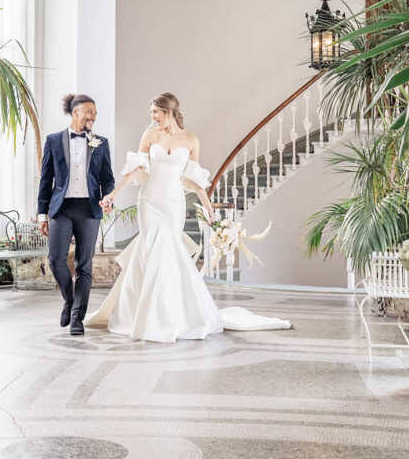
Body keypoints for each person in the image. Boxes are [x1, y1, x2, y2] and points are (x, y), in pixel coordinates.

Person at [85, 92, 290, 342]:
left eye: (155, 112)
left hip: (173, 204)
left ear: (168, 111)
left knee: (169, 251)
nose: (152, 116)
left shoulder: (191, 140)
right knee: (151, 249)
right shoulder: (149, 135)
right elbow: (137, 169)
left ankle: (169, 315)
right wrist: (113, 195)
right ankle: (141, 315)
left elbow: (195, 179)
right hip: (149, 201)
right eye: (151, 112)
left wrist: (209, 210)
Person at [37, 93, 115, 336]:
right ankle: (69, 301)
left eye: (95, 113)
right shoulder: (53, 140)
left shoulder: (100, 143)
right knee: (55, 258)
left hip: (89, 209)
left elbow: (107, 179)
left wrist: (108, 197)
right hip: (62, 208)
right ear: (76, 112)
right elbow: (46, 179)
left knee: (85, 265)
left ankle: (78, 317)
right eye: (89, 111)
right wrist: (42, 214)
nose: (93, 116)